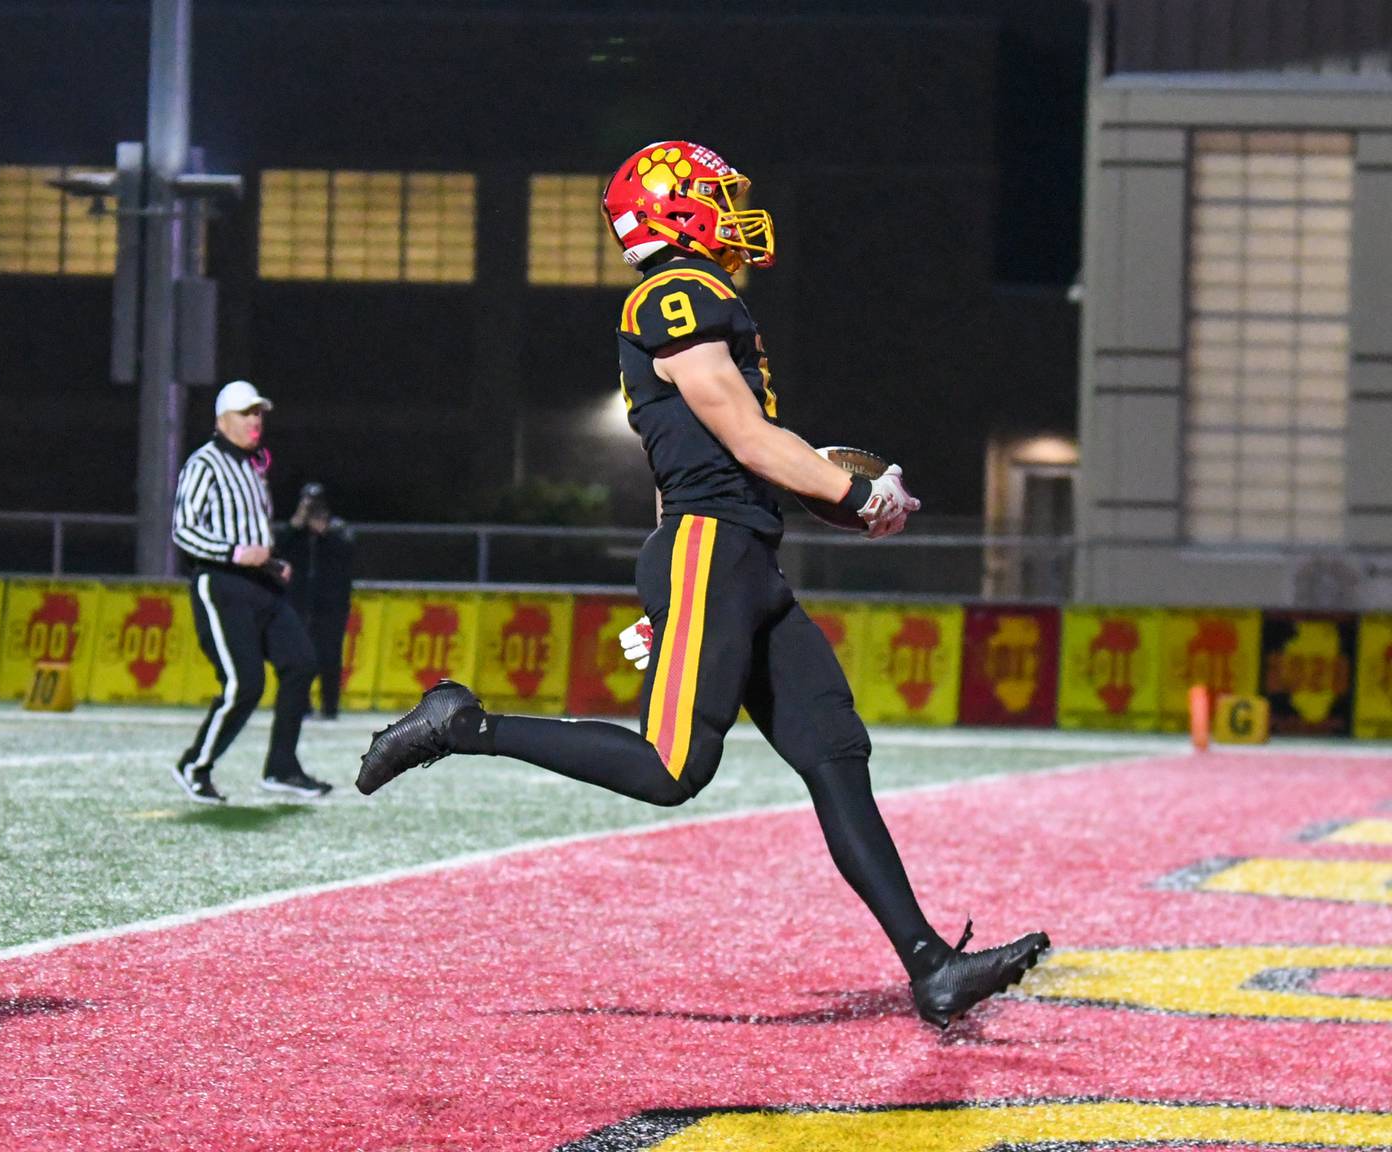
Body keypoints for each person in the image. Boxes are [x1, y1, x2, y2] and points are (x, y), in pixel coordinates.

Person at [357, 142, 1047, 1028]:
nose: (733, 209)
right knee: (673, 768)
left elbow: (708, 453)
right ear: (672, 210)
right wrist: (854, 493)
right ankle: (466, 723)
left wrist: (709, 568)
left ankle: (931, 966)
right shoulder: (673, 293)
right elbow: (751, 439)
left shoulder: (695, 299)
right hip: (713, 551)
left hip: (738, 557)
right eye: (714, 195)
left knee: (835, 750)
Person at [170, 379, 333, 803]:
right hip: (221, 583)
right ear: (223, 419)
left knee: (301, 662)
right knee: (244, 683)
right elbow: (184, 529)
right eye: (247, 413)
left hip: (260, 586)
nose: (255, 420)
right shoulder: (204, 463)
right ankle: (195, 765)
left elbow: (253, 536)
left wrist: (273, 561)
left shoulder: (253, 467)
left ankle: (281, 767)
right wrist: (234, 552)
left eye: (259, 412)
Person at [277, 482, 356, 720]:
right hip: (300, 602)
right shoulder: (295, 531)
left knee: (330, 656)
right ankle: (301, 706)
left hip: (331, 604)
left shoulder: (337, 529)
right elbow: (277, 549)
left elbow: (348, 551)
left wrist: (325, 532)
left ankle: (329, 707)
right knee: (300, 657)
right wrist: (295, 523)